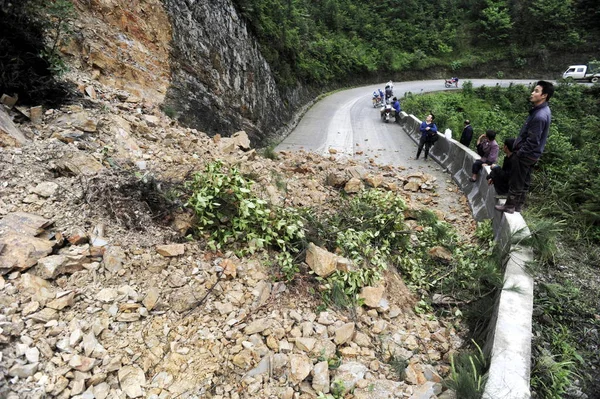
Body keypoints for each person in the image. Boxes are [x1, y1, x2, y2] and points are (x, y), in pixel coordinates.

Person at [495, 80, 554, 214]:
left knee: (516, 181)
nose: (532, 93)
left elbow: (533, 140)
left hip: (525, 154)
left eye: (536, 91)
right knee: (524, 180)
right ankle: (518, 206)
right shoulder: (543, 111)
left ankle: (510, 206)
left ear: (544, 95)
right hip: (532, 155)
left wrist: (519, 153)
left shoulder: (539, 116)